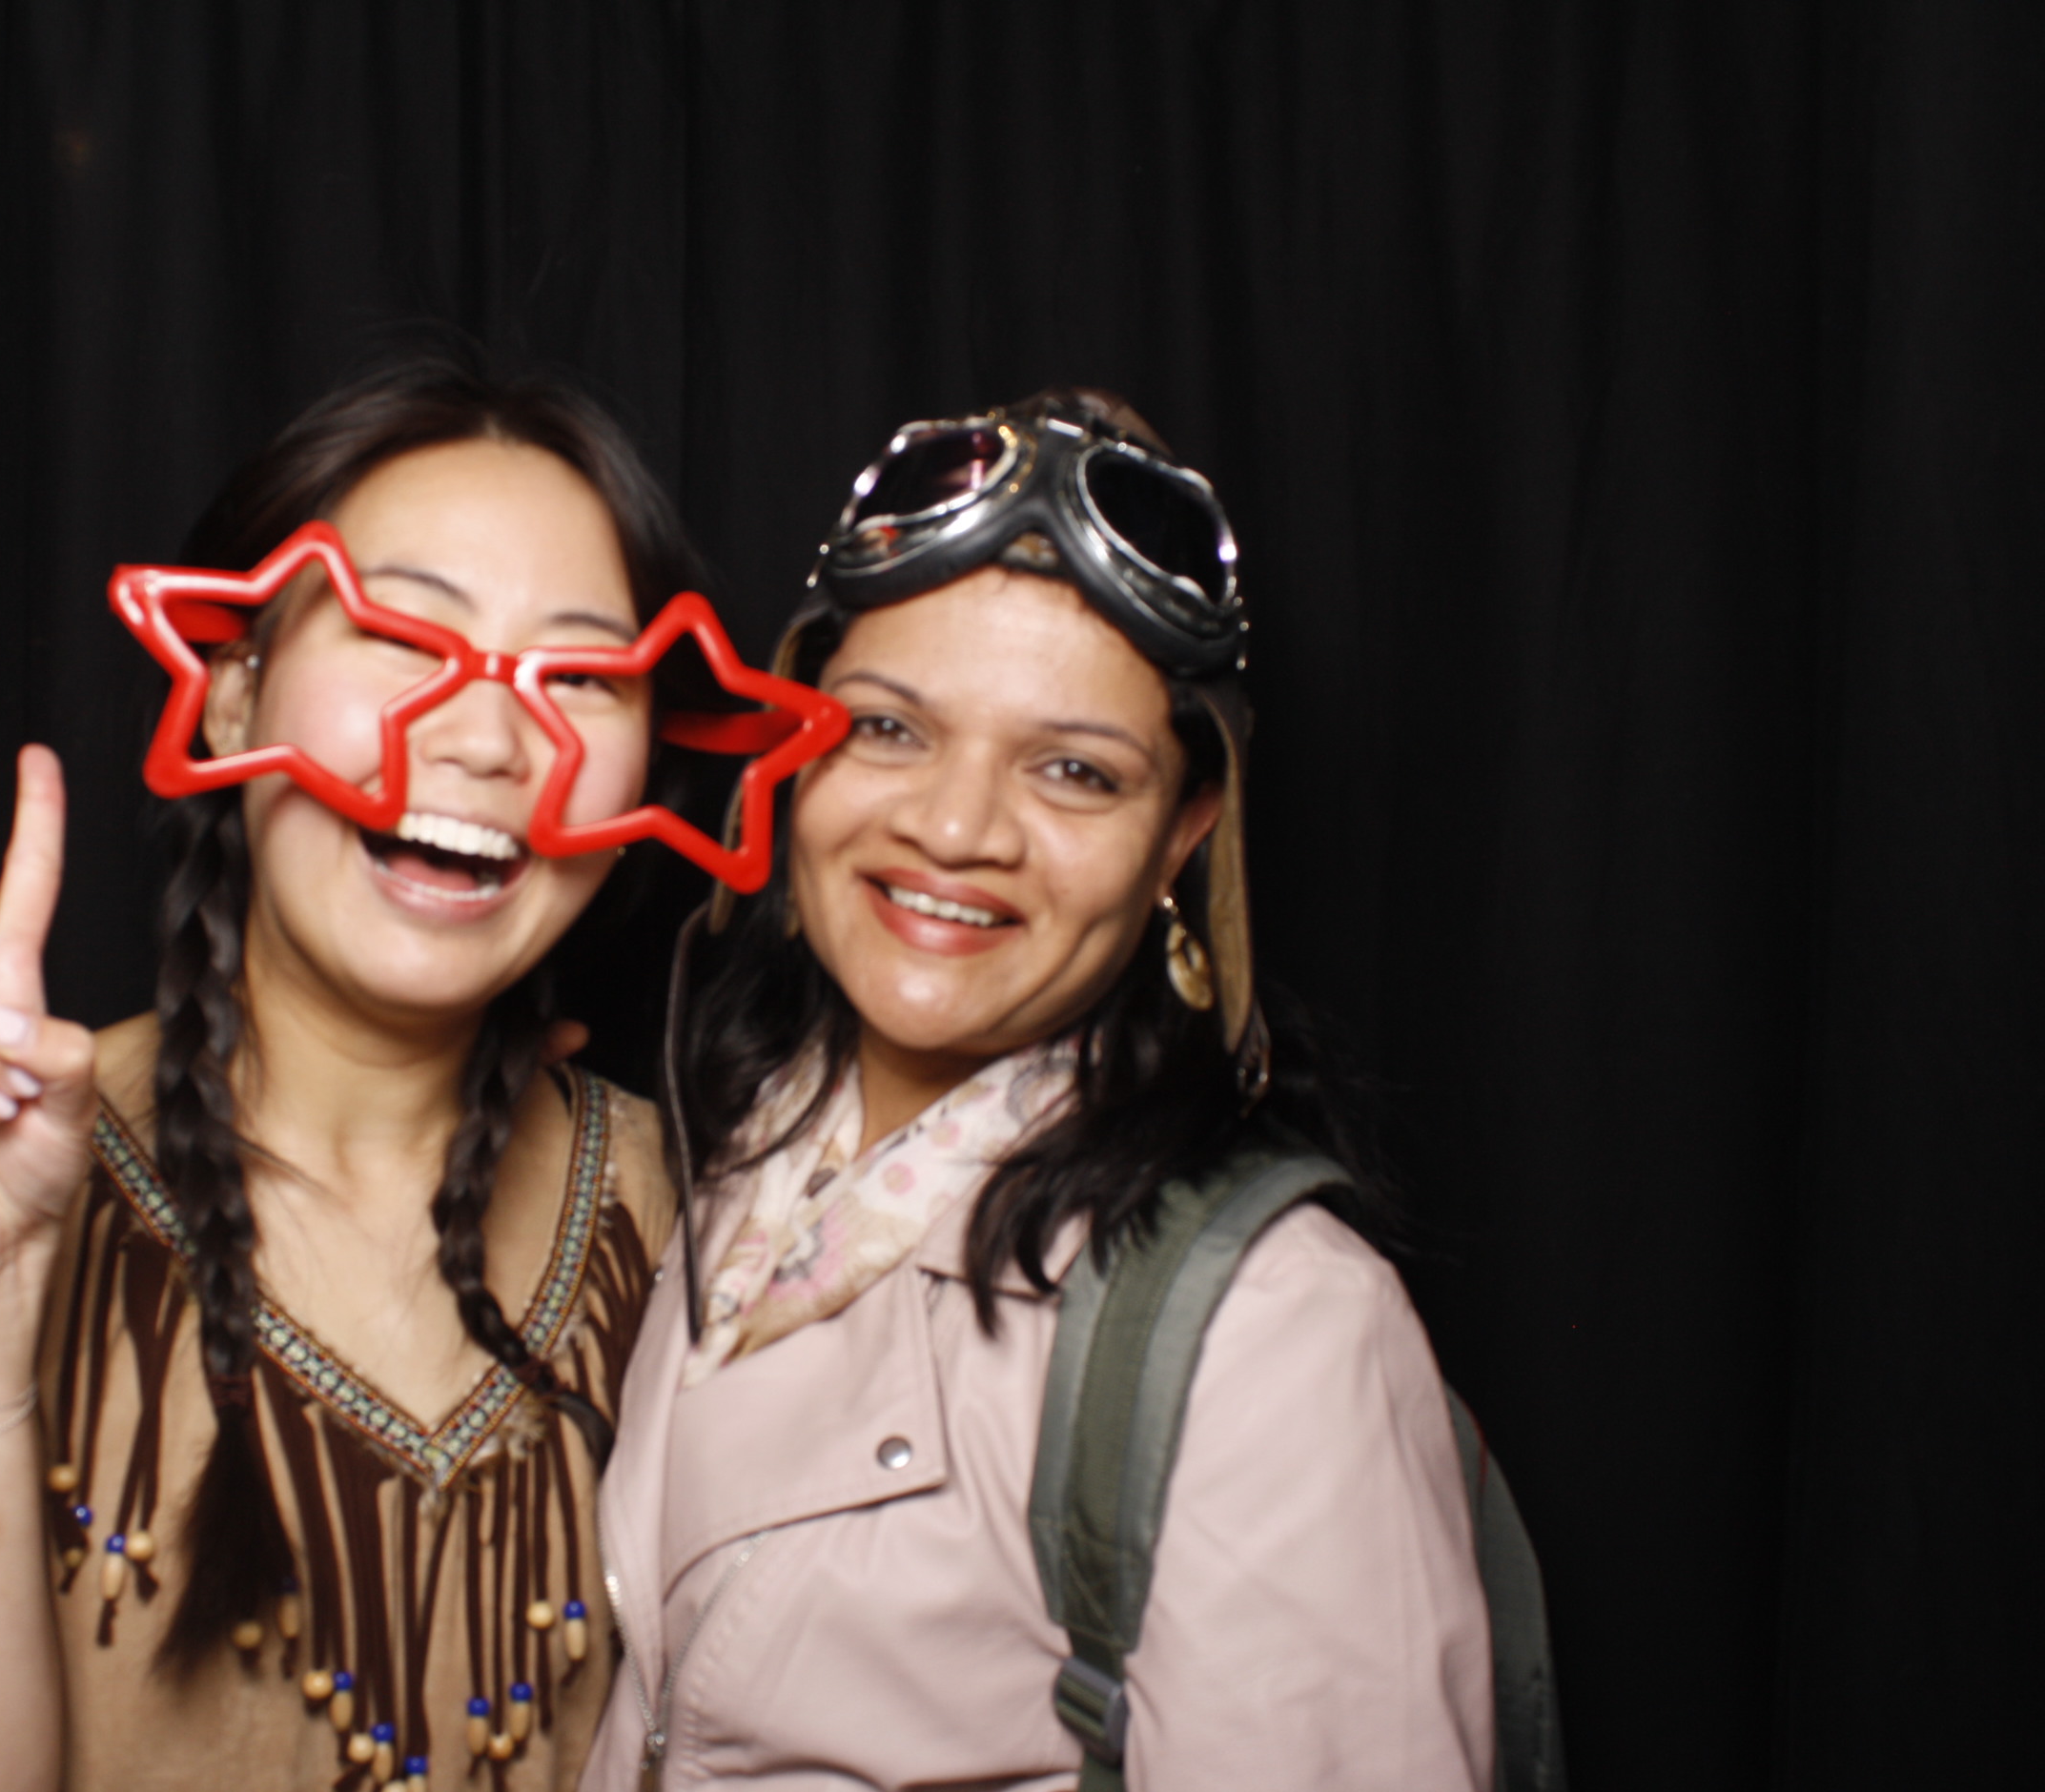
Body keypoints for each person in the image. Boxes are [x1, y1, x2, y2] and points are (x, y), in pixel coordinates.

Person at [0, 359, 702, 1791]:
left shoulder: (701, 1209)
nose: (482, 737)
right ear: (229, 700)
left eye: (581, 676)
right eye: (404, 636)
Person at [586, 392, 1496, 1789]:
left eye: (1074, 771)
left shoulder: (1275, 1330)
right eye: (888, 729)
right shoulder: (711, 1167)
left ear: (1183, 831)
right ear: (791, 742)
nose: (955, 829)